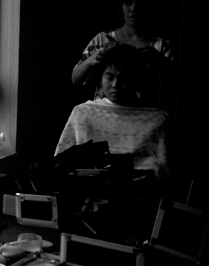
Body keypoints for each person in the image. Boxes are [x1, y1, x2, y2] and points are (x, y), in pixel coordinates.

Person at [57, 45, 169, 176]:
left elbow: (164, 169)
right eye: (110, 78)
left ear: (137, 80)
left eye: (123, 78)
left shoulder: (157, 118)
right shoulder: (83, 113)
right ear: (100, 78)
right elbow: (60, 165)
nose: (115, 85)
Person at [71, 0, 175, 107]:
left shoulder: (162, 45)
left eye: (140, 4)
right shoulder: (102, 39)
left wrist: (160, 61)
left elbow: (174, 84)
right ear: (121, 6)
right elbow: (75, 79)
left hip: (144, 113)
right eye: (128, 3)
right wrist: (92, 59)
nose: (133, 9)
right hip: (105, 112)